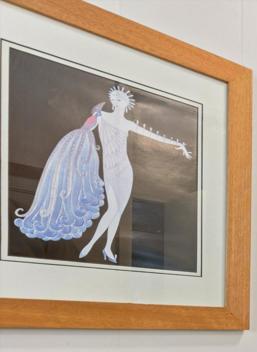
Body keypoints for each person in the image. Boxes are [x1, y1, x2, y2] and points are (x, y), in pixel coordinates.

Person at [78, 85, 191, 264]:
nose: (117, 102)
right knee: (113, 208)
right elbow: (85, 131)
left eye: (121, 99)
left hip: (125, 169)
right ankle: (91, 243)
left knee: (119, 211)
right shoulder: (102, 116)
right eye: (115, 98)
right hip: (110, 168)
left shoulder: (128, 124)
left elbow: (153, 135)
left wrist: (178, 145)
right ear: (113, 101)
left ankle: (107, 247)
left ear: (126, 104)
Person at [13, 104, 106, 241]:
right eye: (99, 112)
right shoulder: (93, 121)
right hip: (83, 138)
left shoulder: (91, 124)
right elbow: (89, 129)